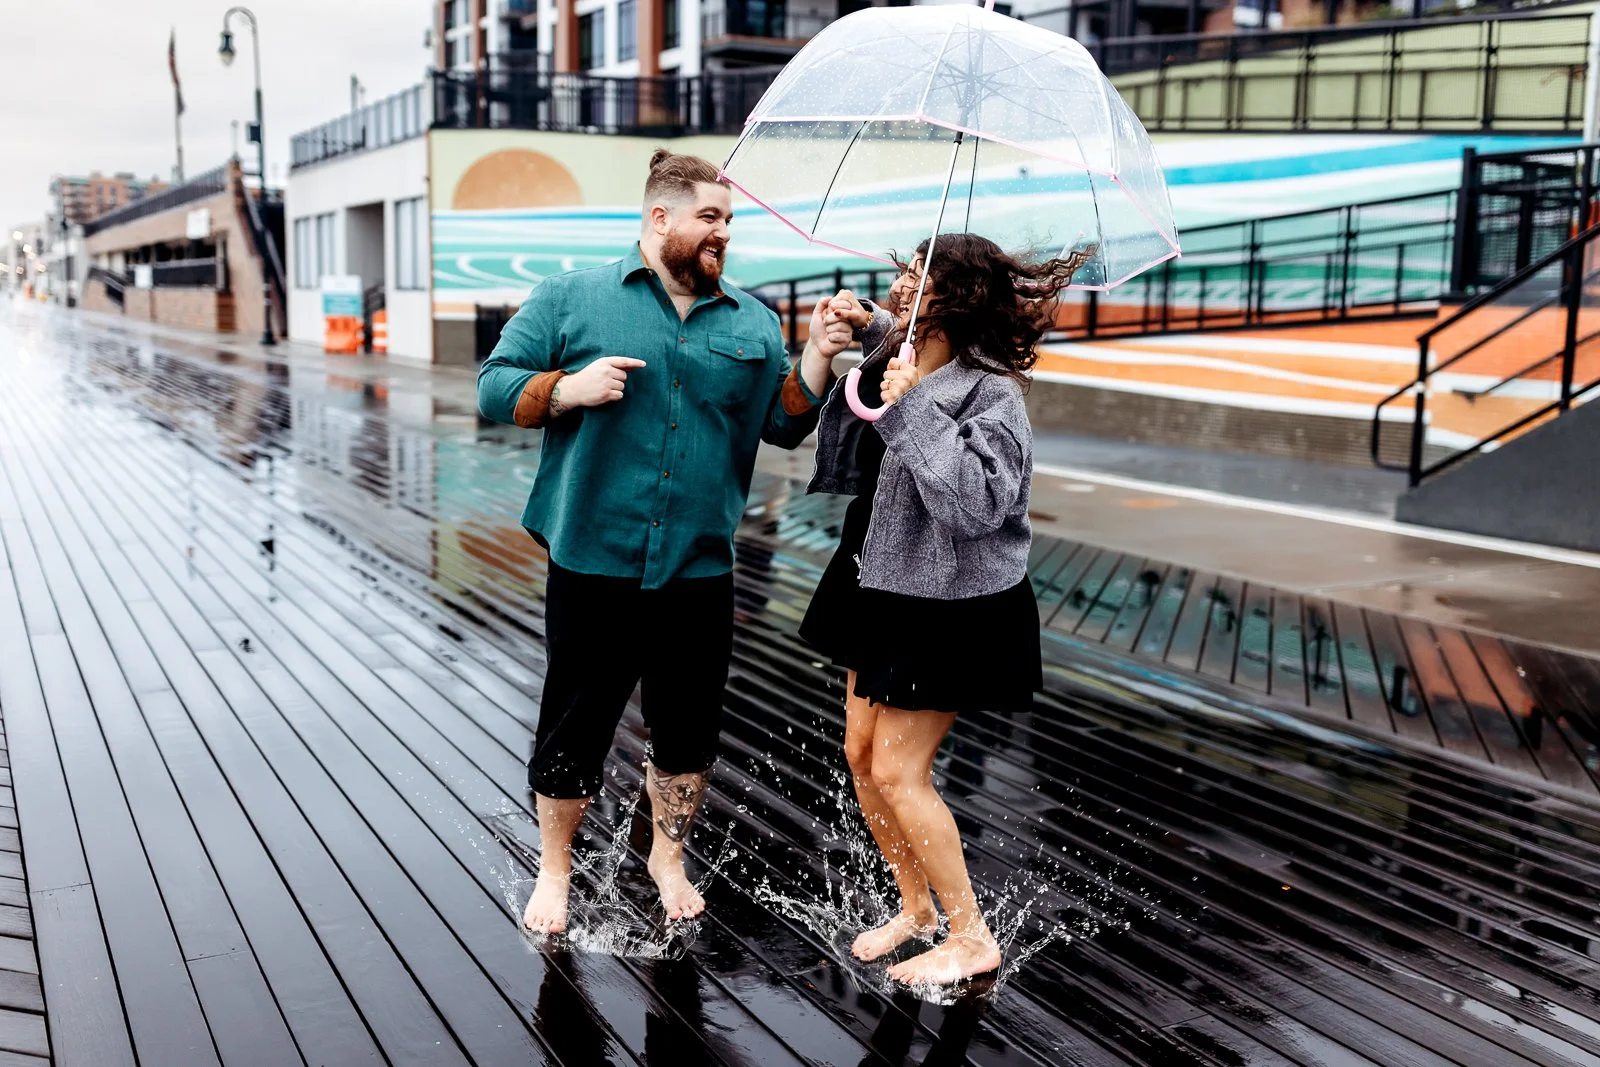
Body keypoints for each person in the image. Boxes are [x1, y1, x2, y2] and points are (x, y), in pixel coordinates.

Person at [477, 149, 844, 935]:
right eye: (710, 218)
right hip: (592, 559)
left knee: (686, 731)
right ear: (659, 217)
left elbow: (781, 422)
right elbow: (493, 383)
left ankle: (667, 857)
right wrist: (565, 389)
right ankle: (555, 866)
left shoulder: (750, 319)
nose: (722, 234)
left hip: (698, 567)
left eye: (729, 222)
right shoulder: (571, 298)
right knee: (574, 724)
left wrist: (816, 354)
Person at [800, 234, 1084, 985]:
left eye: (911, 275)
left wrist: (911, 405)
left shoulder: (993, 394)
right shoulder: (904, 350)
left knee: (899, 771)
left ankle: (971, 935)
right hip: (881, 582)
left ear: (949, 295)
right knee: (861, 755)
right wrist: (863, 329)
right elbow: (872, 388)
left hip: (951, 606)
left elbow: (974, 504)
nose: (897, 283)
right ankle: (916, 908)